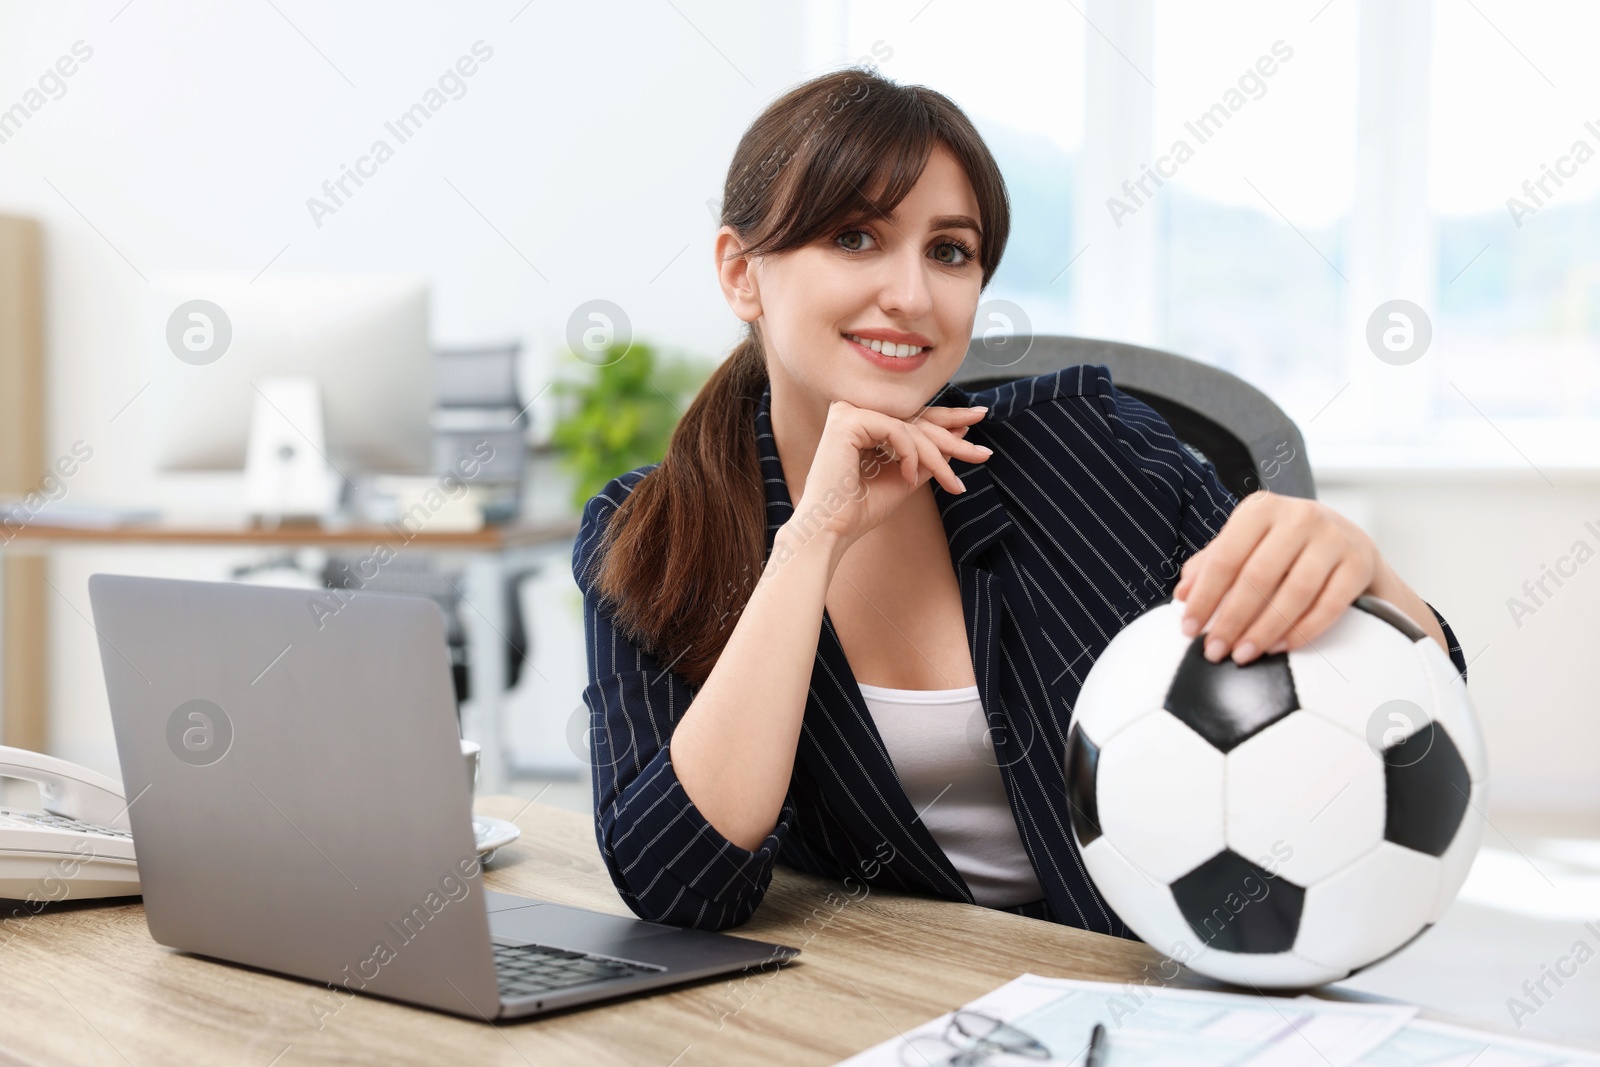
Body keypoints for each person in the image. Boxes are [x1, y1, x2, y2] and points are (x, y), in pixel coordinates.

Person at [570, 67, 1467, 937]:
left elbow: (1407, 724)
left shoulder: (1097, 449)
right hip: (897, 1013)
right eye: (855, 237)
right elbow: (681, 881)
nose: (912, 295)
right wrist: (812, 539)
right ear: (741, 273)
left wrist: (1363, 571)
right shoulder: (650, 532)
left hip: (1169, 989)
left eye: (950, 251)